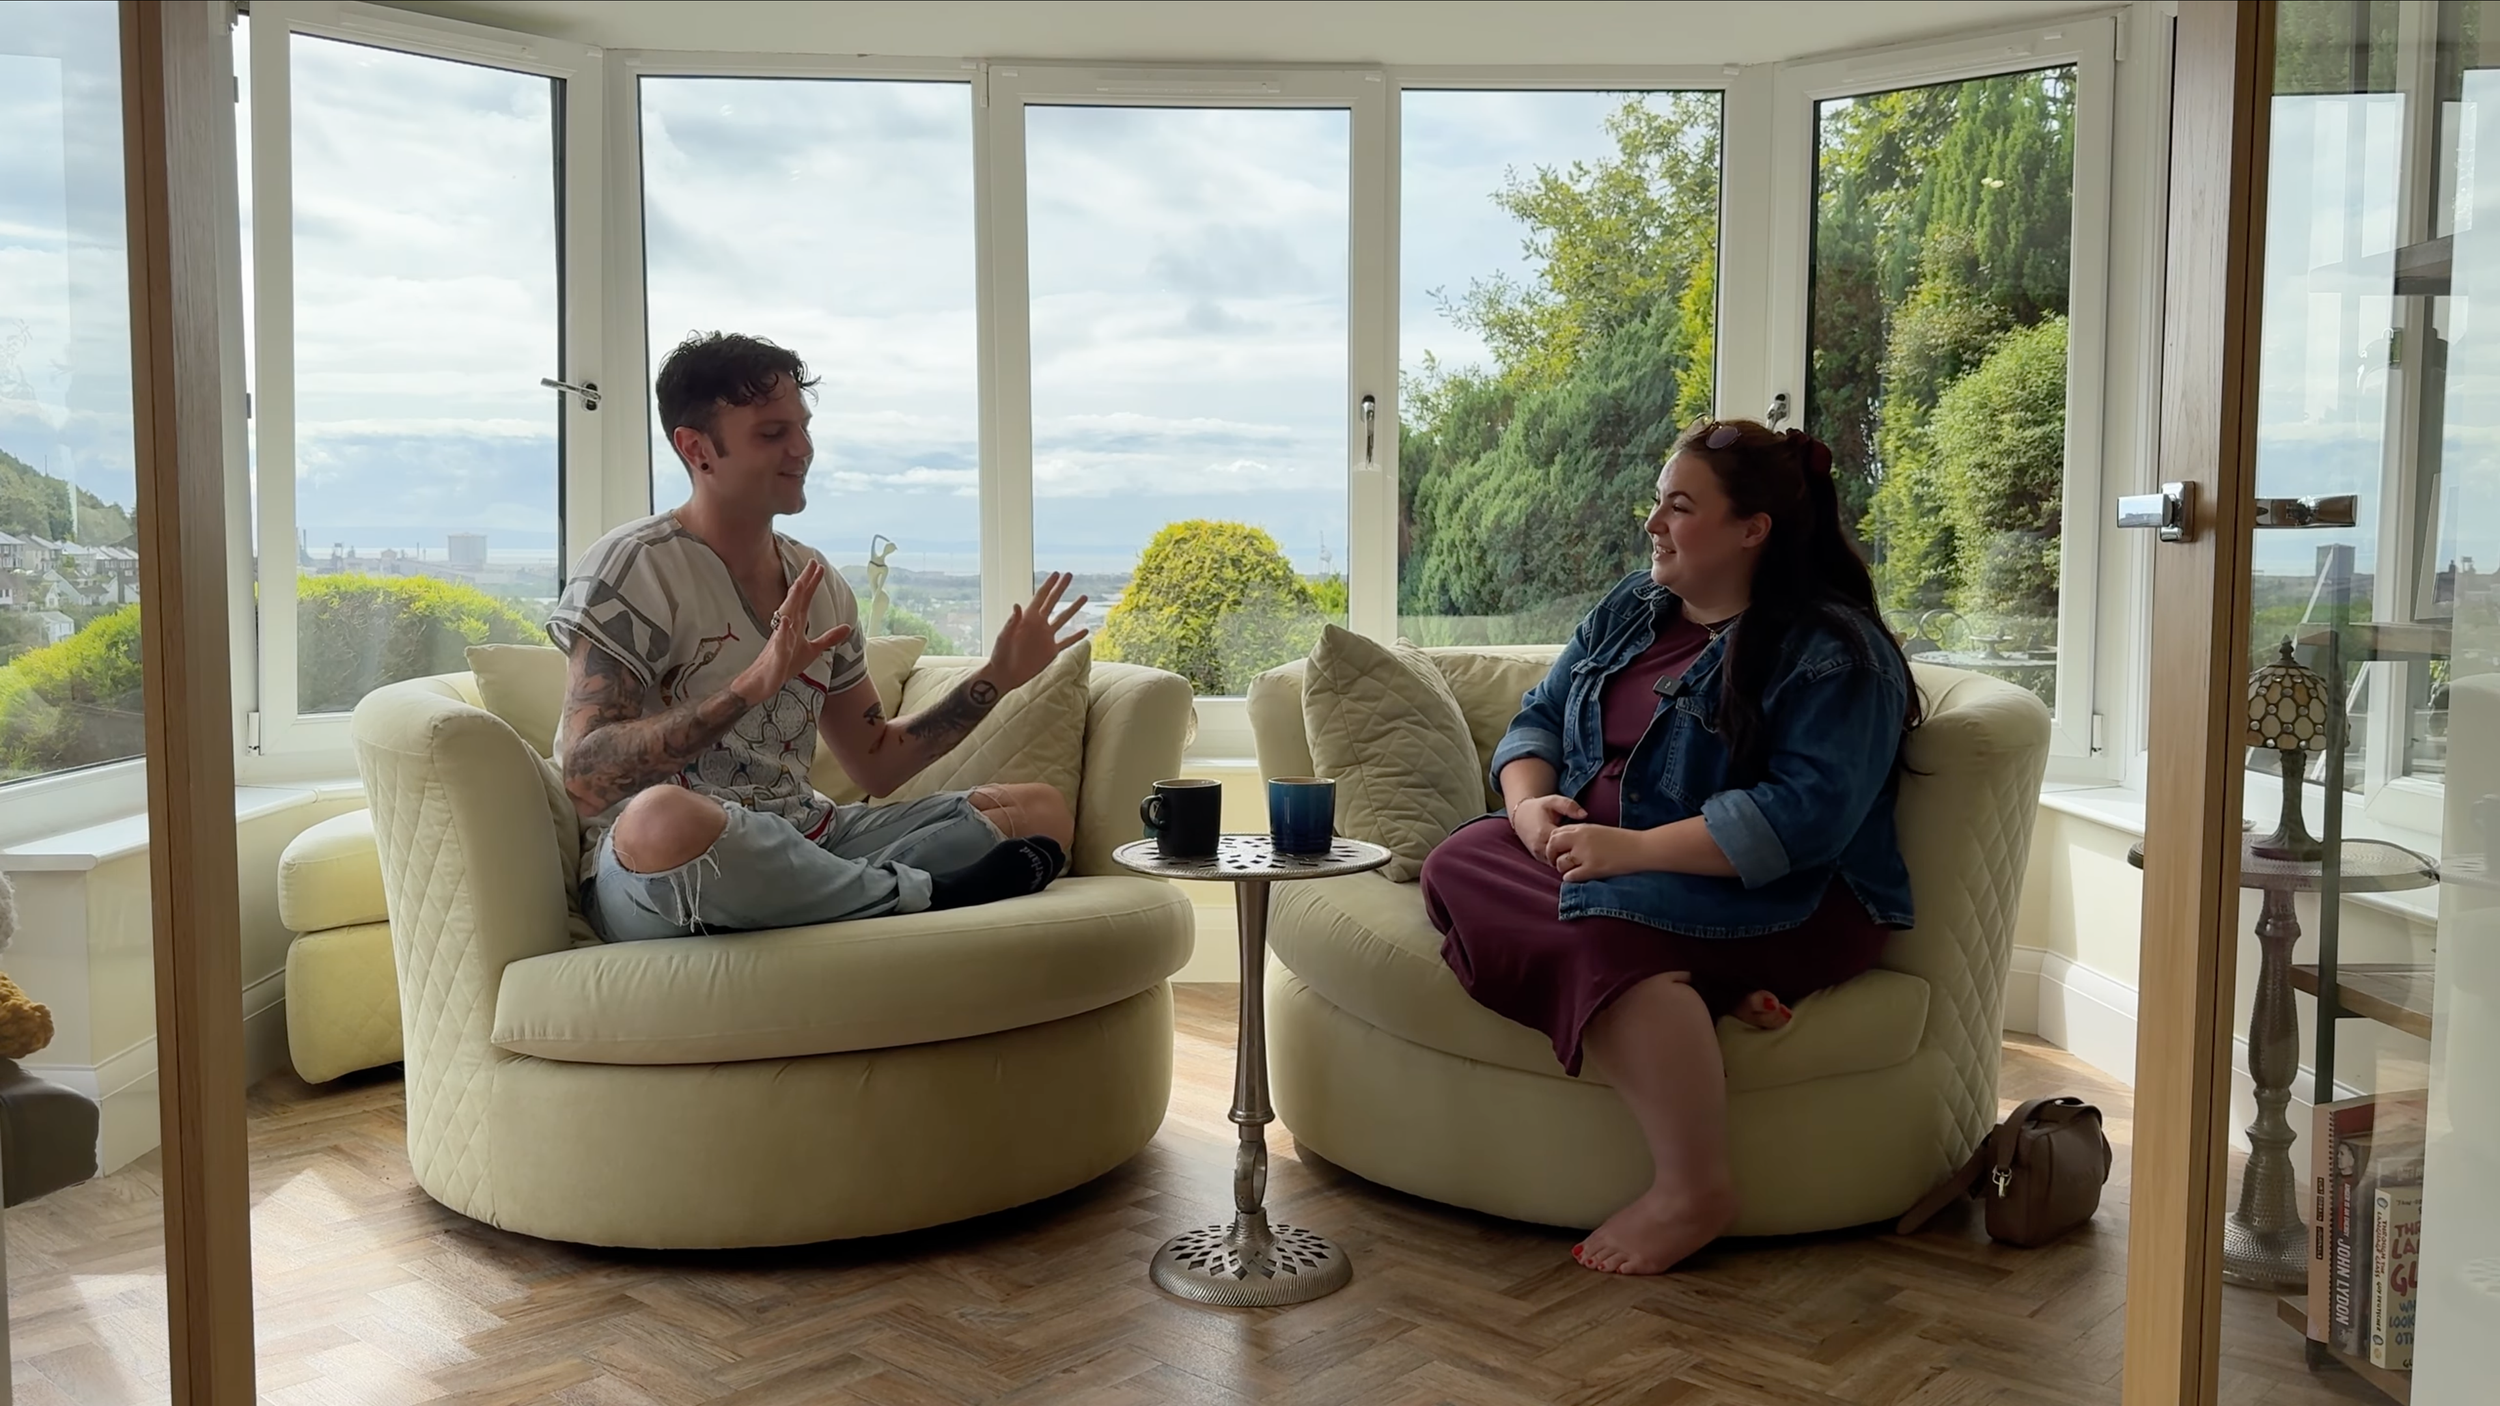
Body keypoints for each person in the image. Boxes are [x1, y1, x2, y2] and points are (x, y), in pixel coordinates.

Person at [1418, 417, 1921, 1277]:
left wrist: (1633, 853)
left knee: (1600, 931)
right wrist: (1530, 809)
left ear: (1752, 529)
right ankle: (1710, 984)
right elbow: (1541, 716)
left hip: (1787, 896)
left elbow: (1804, 819)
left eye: (1680, 507)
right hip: (1606, 860)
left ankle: (1695, 1190)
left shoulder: (1836, 654)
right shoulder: (1632, 608)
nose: (1653, 523)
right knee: (1457, 862)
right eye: (1658, 502)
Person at [548, 331, 1089, 942]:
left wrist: (997, 678)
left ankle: (841, 894)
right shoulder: (634, 565)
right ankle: (925, 894)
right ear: (696, 449)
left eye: (803, 428)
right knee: (662, 820)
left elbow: (876, 764)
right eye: (772, 433)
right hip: (663, 864)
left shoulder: (818, 581)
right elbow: (585, 779)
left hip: (810, 839)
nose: (802, 449)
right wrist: (748, 688)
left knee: (1038, 812)